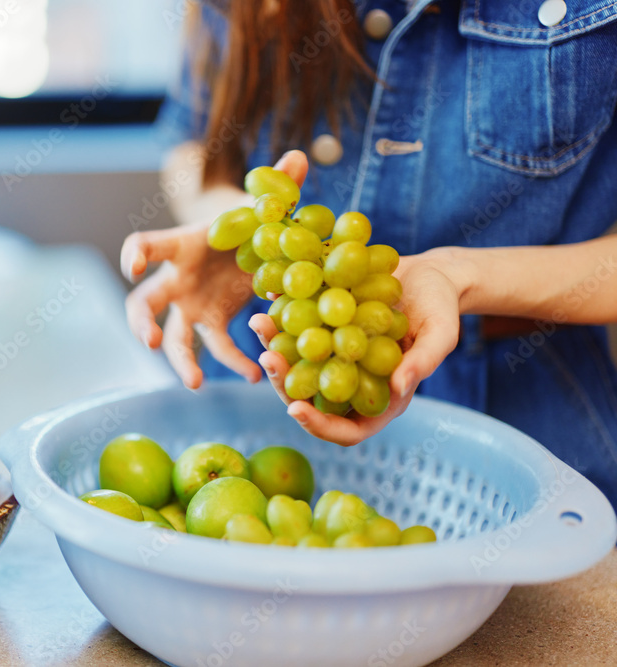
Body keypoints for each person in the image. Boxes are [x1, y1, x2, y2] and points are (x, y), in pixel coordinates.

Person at [120, 0, 617, 507]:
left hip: (527, 411)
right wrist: (240, 222)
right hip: (271, 375)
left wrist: (462, 276)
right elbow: (193, 146)